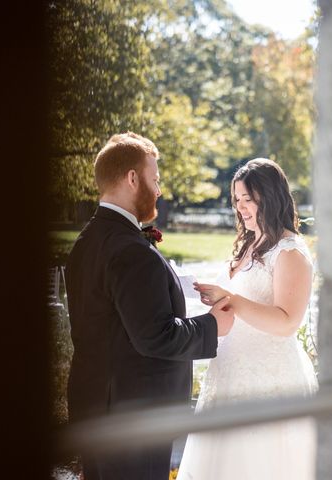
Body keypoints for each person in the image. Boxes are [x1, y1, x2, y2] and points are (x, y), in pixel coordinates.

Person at [65, 132, 235, 480]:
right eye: (154, 179)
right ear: (132, 178)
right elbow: (154, 336)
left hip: (97, 410)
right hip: (133, 420)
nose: (158, 190)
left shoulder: (87, 240)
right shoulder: (130, 250)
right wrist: (212, 325)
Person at [176, 158, 318, 480]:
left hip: (268, 378)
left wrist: (234, 301)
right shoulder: (249, 243)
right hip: (228, 369)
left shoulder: (289, 251)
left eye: (248, 200)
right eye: (237, 200)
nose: (240, 208)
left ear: (270, 197)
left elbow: (286, 322)